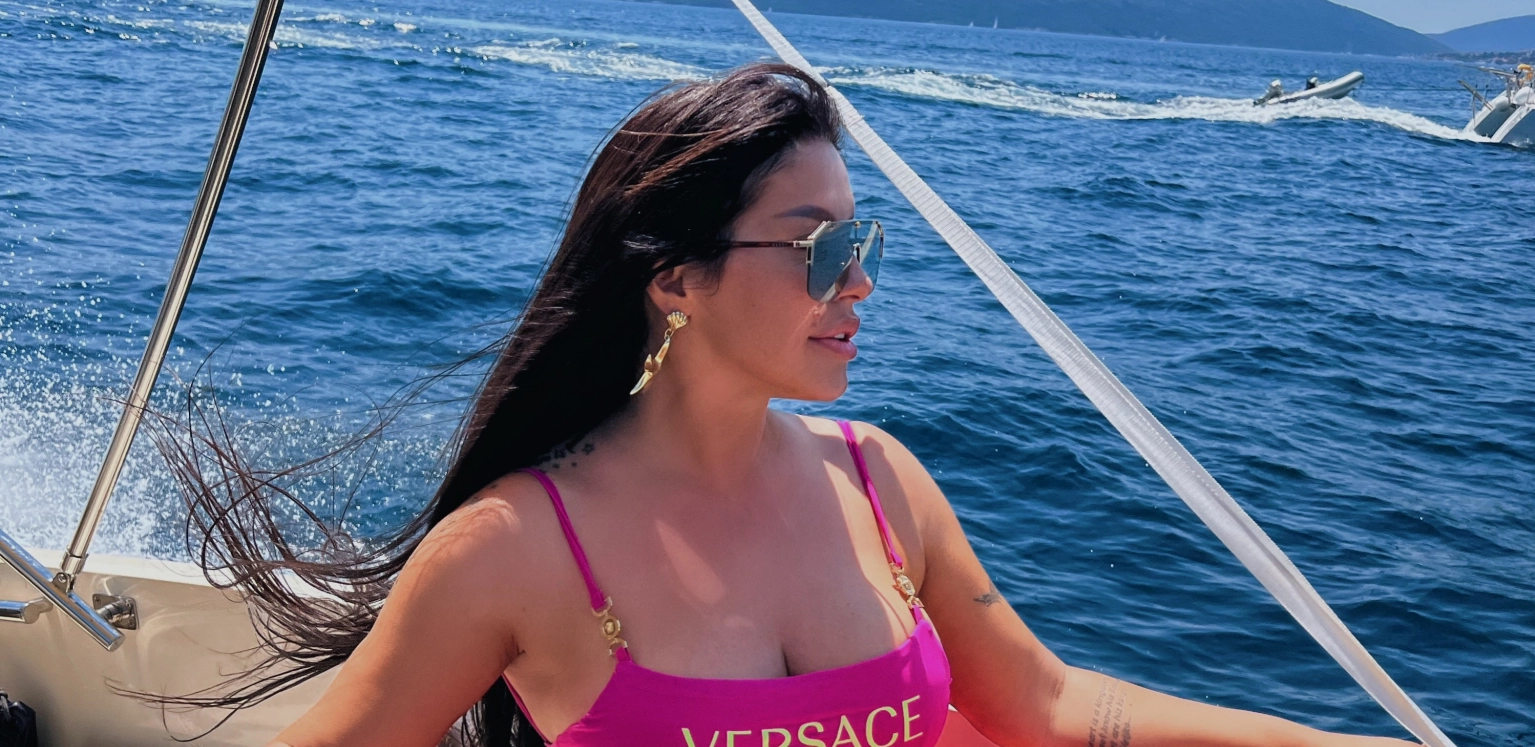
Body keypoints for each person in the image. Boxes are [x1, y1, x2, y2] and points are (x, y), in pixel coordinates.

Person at [169, 62, 1419, 747]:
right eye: (818, 248)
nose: (859, 283)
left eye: (861, 242)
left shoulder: (879, 482)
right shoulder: (512, 548)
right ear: (675, 280)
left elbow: (1045, 709)